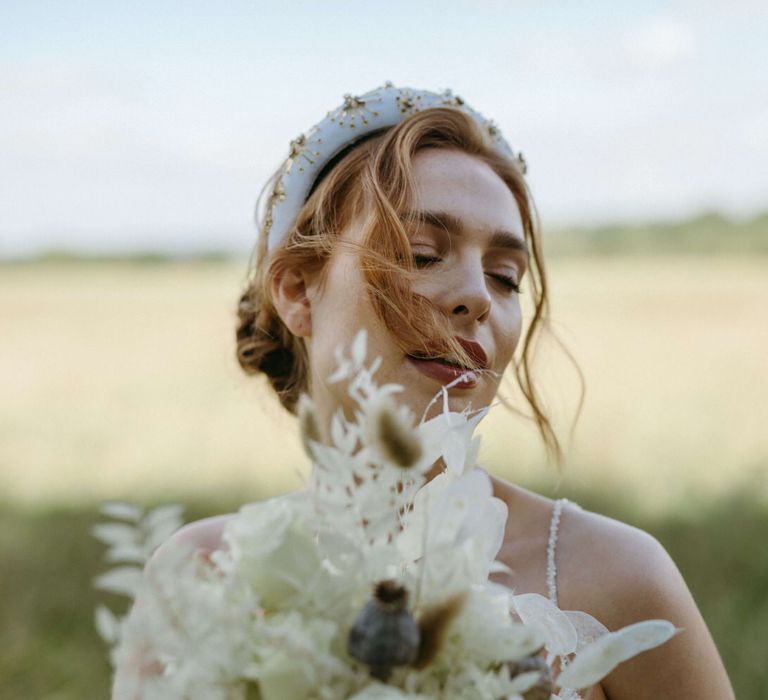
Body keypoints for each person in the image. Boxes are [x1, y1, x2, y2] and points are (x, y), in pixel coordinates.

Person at [119, 84, 734, 699]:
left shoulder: (618, 578)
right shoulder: (197, 576)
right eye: (420, 253)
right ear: (299, 292)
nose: (477, 297)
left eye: (505, 277)